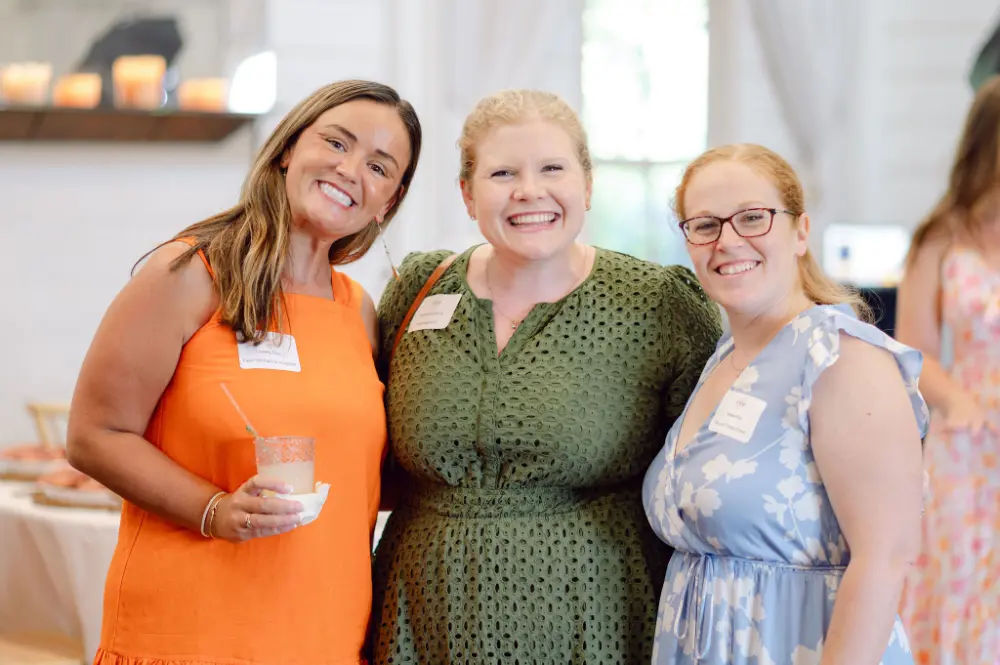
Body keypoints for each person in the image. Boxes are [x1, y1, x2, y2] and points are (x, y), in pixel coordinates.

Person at [66, 79, 421, 665]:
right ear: (288, 148)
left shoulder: (357, 310)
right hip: (192, 634)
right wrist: (216, 510)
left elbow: (360, 475)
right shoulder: (188, 274)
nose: (352, 169)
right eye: (336, 142)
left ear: (388, 199)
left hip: (324, 635)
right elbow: (93, 436)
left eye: (380, 166)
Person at [368, 89, 722, 663]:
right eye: (503, 172)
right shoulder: (419, 288)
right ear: (467, 193)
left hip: (595, 615)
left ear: (587, 183)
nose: (529, 191)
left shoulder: (661, 306)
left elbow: (713, 479)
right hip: (420, 613)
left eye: (551, 168)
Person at [642, 144, 928, 664]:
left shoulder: (841, 357)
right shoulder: (723, 358)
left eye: (752, 218)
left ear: (800, 232)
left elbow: (886, 557)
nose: (727, 241)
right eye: (704, 225)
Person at [897, 75, 1000, 663]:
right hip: (964, 441)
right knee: (958, 574)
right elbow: (914, 350)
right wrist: (958, 400)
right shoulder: (941, 239)